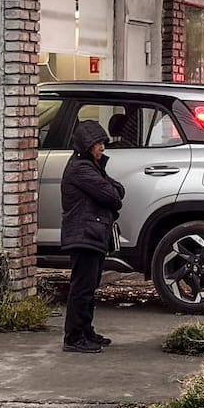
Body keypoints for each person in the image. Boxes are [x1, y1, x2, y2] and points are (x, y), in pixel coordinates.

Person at [61, 119, 125, 353]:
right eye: (98, 144)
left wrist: (112, 191)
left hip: (92, 233)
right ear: (87, 145)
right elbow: (112, 195)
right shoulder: (81, 169)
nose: (102, 148)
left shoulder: (92, 167)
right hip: (84, 234)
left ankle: (86, 331)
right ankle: (74, 337)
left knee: (89, 287)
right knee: (82, 288)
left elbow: (118, 189)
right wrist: (112, 192)